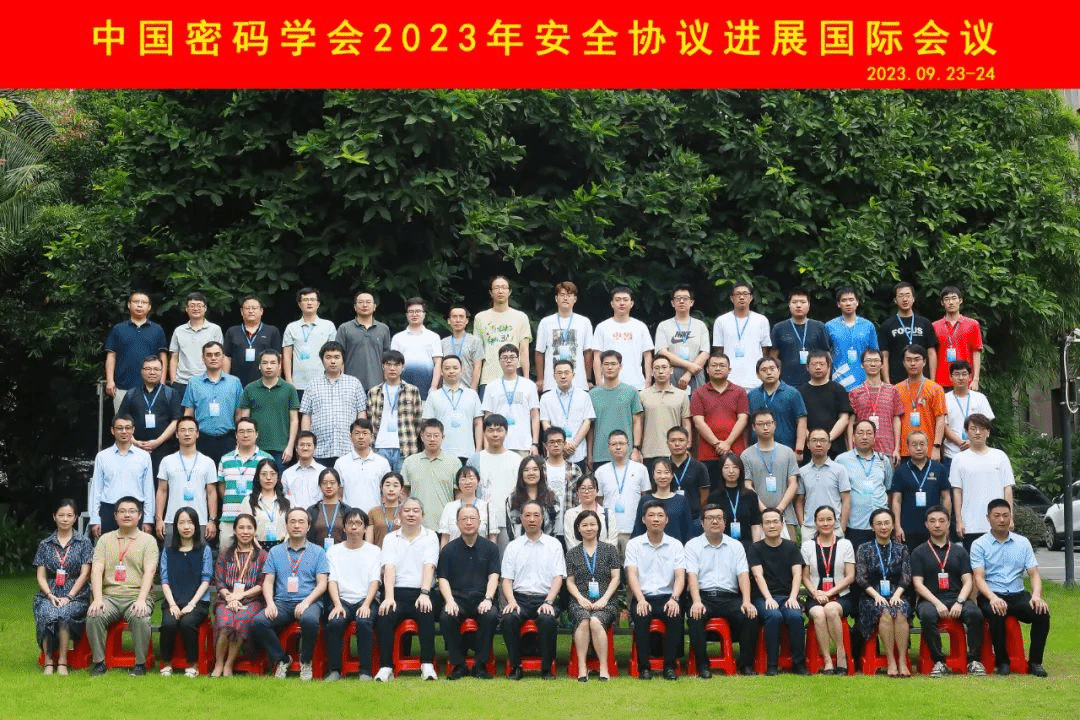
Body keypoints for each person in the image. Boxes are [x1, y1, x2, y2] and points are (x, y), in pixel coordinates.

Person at [971, 499, 1050, 677]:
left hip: (1017, 593)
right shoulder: (979, 544)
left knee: (1042, 614)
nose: (1002, 520)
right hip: (991, 593)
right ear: (988, 518)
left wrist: (1036, 596)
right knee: (996, 613)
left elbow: (1034, 574)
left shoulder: (1022, 543)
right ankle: (1003, 662)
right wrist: (993, 598)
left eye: (1006, 516)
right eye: (997, 516)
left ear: (1010, 517)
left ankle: (1035, 662)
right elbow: (978, 577)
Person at [251, 507, 329, 681]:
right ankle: (283, 659)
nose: (296, 525)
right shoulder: (275, 552)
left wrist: (306, 602)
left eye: (301, 522)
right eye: (292, 521)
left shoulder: (318, 552)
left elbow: (322, 583)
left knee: (310, 620)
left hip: (309, 602)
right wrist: (270, 604)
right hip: (282, 603)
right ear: (286, 526)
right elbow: (268, 582)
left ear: (308, 526)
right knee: (259, 622)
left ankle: (306, 661)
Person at [685, 503, 760, 678]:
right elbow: (692, 575)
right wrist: (696, 601)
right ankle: (703, 666)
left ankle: (745, 664)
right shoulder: (692, 545)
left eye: (719, 518)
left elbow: (743, 575)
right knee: (695, 615)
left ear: (725, 523)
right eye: (710, 518)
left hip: (729, 598)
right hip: (703, 596)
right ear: (702, 522)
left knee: (750, 615)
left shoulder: (736, 546)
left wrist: (746, 601)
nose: (715, 522)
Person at [910, 505, 986, 677]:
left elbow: (968, 581)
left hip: (957, 597)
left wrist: (960, 601)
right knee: (927, 615)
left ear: (948, 523)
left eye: (941, 521)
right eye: (932, 521)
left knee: (975, 614)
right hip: (930, 599)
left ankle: (973, 660)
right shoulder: (918, 552)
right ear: (926, 524)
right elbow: (918, 584)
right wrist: (937, 603)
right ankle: (939, 661)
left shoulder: (960, 551)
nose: (937, 525)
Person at [86, 497, 159, 676]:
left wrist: (141, 600)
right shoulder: (104, 540)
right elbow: (96, 570)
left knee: (140, 616)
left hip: (136, 595)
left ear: (140, 515)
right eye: (122, 511)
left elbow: (150, 571)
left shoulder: (148, 541)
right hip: (109, 596)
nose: (127, 515)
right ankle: (99, 662)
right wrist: (98, 599)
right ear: (115, 515)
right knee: (94, 615)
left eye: (132, 511)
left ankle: (140, 664)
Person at [375, 497, 440, 681]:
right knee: (385, 615)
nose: (411, 514)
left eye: (416, 511)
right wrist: (389, 597)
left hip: (422, 591)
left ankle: (427, 665)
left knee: (426, 611)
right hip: (396, 592)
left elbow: (429, 566)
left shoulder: (430, 536)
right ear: (399, 515)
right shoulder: (390, 538)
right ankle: (386, 666)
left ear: (422, 515)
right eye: (407, 510)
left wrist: (425, 593)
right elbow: (389, 568)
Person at [501, 500, 566, 680]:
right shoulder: (513, 546)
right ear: (521, 519)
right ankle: (516, 666)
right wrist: (511, 601)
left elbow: (558, 578)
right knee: (508, 619)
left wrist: (549, 601)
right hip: (519, 599)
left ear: (542, 518)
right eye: (527, 515)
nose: (532, 519)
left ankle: (546, 668)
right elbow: (506, 580)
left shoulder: (554, 545)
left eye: (536, 515)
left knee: (547, 620)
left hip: (545, 597)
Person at [438, 504, 501, 680]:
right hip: (457, 599)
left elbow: (494, 576)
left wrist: (488, 599)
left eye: (472, 518)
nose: (468, 522)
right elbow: (442, 578)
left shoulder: (491, 548)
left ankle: (480, 665)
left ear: (479, 522)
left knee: (490, 615)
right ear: (457, 523)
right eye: (464, 519)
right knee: (446, 617)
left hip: (482, 598)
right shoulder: (448, 550)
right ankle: (459, 665)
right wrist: (449, 601)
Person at [625, 500, 685, 680]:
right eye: (651, 515)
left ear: (667, 520)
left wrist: (674, 598)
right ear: (644, 519)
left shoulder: (676, 545)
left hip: (668, 596)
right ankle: (644, 667)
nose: (656, 519)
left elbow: (680, 576)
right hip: (643, 596)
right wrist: (640, 599)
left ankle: (669, 666)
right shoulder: (634, 544)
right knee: (642, 616)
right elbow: (632, 575)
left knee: (675, 616)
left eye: (660, 515)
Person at [33, 499, 93, 676]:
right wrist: (49, 594)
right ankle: (49, 661)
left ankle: (63, 661)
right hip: (50, 592)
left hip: (76, 594)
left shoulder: (84, 542)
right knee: (46, 612)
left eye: (69, 515)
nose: (65, 519)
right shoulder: (45, 544)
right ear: (54, 517)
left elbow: (85, 574)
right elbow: (41, 575)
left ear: (75, 518)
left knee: (63, 614)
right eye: (61, 515)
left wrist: (69, 596)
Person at [323, 508, 381, 682]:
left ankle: (365, 671)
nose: (354, 527)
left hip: (366, 598)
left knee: (364, 622)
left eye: (358, 523)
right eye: (350, 523)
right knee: (335, 622)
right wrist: (337, 604)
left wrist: (366, 604)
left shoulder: (374, 551)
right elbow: (332, 580)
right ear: (344, 528)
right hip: (342, 600)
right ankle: (334, 670)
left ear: (365, 528)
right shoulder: (333, 551)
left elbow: (375, 581)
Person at [749, 508, 809, 676]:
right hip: (763, 597)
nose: (772, 525)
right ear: (762, 526)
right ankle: (772, 665)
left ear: (782, 524)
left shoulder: (791, 547)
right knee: (773, 616)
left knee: (795, 616)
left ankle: (798, 663)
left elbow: (797, 574)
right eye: (767, 522)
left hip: (787, 596)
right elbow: (758, 575)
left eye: (775, 521)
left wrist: (793, 597)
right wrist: (768, 598)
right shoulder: (755, 548)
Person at [855, 508, 912, 677]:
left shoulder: (902, 548)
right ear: (872, 527)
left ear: (893, 525)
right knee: (885, 613)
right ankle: (891, 660)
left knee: (900, 612)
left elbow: (906, 576)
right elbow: (860, 578)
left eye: (887, 523)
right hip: (872, 595)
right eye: (879, 523)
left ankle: (902, 660)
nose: (883, 527)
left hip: (897, 593)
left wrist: (897, 595)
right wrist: (877, 596)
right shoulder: (864, 549)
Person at [565, 510, 621, 681]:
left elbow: (616, 578)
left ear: (598, 527)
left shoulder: (610, 550)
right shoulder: (572, 553)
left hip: (606, 601)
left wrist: (604, 599)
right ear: (578, 528)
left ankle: (603, 667)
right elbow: (570, 582)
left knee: (596, 621)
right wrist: (580, 599)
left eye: (592, 524)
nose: (589, 528)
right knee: (583, 620)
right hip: (579, 601)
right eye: (584, 525)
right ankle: (582, 667)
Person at [210, 513, 268, 677]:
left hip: (252, 600)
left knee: (241, 621)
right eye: (241, 528)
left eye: (249, 528)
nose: (245, 532)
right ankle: (219, 663)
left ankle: (229, 664)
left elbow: (262, 584)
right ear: (234, 530)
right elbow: (219, 581)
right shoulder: (225, 554)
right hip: (226, 599)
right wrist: (230, 597)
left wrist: (240, 596)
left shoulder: (262, 556)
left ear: (255, 531)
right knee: (225, 622)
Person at [157, 507, 212, 677]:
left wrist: (191, 604)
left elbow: (206, 580)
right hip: (173, 600)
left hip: (198, 602)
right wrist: (173, 604)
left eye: (190, 522)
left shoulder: (204, 550)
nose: (186, 527)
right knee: (169, 623)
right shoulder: (168, 551)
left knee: (187, 623)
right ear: (176, 526)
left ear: (196, 525)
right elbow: (164, 580)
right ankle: (166, 663)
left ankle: (193, 664)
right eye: (181, 523)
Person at [800, 505, 856, 675]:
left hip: (841, 596)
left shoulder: (845, 544)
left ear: (835, 521)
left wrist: (829, 593)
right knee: (818, 613)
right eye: (821, 520)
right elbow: (805, 577)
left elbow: (850, 576)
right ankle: (827, 660)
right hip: (815, 596)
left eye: (829, 519)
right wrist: (816, 593)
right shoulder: (807, 546)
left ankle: (841, 653)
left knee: (831, 609)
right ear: (815, 522)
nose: (825, 523)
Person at [300, 340, 368, 466]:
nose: (332, 361)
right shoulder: (312, 385)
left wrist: (359, 439)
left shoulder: (354, 383)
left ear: (343, 360)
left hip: (348, 448)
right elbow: (306, 415)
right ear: (322, 360)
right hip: (320, 450)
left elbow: (361, 413)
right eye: (328, 357)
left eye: (337, 357)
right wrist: (306, 442)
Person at [952, 413, 1015, 549]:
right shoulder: (958, 459)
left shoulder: (1000, 456)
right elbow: (957, 492)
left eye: (982, 429)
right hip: (970, 525)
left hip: (998, 523)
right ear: (967, 432)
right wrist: (959, 521)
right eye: (973, 429)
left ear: (988, 432)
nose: (978, 432)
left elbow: (1007, 489)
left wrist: (1010, 518)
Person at [88, 414, 155, 538]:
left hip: (135, 511)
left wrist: (148, 519)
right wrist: (95, 518)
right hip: (109, 510)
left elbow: (148, 490)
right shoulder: (102, 457)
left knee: (135, 549)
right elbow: (96, 489)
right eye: (119, 428)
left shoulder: (144, 457)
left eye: (128, 428)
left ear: (133, 430)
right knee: (109, 549)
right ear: (112, 430)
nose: (124, 431)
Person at [156, 417, 218, 547]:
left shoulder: (208, 462)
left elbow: (212, 493)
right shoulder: (167, 461)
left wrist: (212, 520)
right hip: (172, 521)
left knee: (199, 557)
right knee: (171, 556)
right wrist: (159, 519)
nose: (187, 433)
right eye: (183, 430)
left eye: (191, 430)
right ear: (176, 434)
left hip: (200, 521)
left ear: (197, 433)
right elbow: (162, 491)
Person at [690, 352, 750, 489]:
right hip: (707, 454)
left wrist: (727, 443)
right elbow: (698, 422)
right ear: (707, 370)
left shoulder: (739, 391)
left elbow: (743, 419)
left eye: (722, 365)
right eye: (714, 365)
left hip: (734, 452)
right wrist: (717, 444)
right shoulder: (698, 393)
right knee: (711, 493)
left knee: (736, 491)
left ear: (729, 370)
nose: (718, 368)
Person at [104, 290, 168, 413]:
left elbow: (163, 357)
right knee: (122, 423)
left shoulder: (157, 330)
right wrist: (110, 381)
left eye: (143, 302)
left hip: (151, 388)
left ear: (149, 307)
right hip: (122, 387)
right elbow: (111, 355)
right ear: (129, 305)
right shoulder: (118, 329)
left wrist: (162, 383)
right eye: (136, 302)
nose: (139, 305)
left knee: (150, 423)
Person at [182, 341, 244, 466]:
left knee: (226, 475)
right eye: (209, 355)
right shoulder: (194, 383)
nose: (213, 358)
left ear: (223, 357)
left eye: (217, 354)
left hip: (228, 439)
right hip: (201, 439)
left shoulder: (235, 382)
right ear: (203, 358)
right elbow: (188, 414)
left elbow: (239, 414)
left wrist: (240, 439)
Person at [741, 409, 800, 539]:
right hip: (758, 518)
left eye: (769, 423)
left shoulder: (787, 452)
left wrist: (779, 509)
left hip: (786, 515)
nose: (765, 427)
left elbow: (793, 484)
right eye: (760, 424)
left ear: (775, 424)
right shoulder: (746, 455)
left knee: (789, 550)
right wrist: (764, 510)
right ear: (753, 427)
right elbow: (747, 485)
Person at [118, 354, 181, 476]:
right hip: (135, 449)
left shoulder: (171, 393)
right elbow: (121, 421)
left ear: (162, 371)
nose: (152, 372)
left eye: (156, 369)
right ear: (141, 371)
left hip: (164, 449)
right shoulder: (131, 394)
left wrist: (158, 441)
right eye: (148, 369)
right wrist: (135, 442)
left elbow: (176, 421)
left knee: (160, 483)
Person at [889, 430, 952, 550]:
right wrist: (897, 526)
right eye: (914, 444)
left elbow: (946, 498)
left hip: (935, 527)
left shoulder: (939, 469)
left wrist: (946, 524)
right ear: (907, 447)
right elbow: (896, 501)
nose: (919, 448)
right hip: (908, 528)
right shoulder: (900, 471)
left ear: (928, 445)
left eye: (922, 444)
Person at [215, 417, 272, 548]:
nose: (245, 435)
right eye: (241, 431)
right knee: (226, 558)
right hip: (229, 519)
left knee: (257, 557)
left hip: (257, 519)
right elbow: (222, 489)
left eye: (249, 431)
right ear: (236, 435)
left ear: (256, 434)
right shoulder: (225, 459)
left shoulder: (266, 459)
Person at [836, 420, 893, 548]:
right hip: (855, 524)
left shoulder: (883, 460)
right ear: (853, 437)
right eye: (860, 433)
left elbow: (888, 490)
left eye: (869, 433)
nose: (865, 437)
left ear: (875, 437)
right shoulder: (841, 460)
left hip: (881, 526)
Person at [239, 349, 300, 470]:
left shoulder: (289, 389)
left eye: (273, 363)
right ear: (259, 366)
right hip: (255, 448)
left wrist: (290, 446)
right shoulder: (250, 389)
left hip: (281, 449)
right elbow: (244, 420)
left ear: (279, 365)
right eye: (265, 363)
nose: (268, 366)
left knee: (277, 481)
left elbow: (294, 420)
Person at [595, 429, 651, 555]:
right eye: (614, 444)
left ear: (628, 445)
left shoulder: (641, 469)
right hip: (609, 531)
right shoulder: (600, 472)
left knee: (632, 565)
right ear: (608, 447)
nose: (618, 447)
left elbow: (646, 498)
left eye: (621, 443)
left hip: (634, 529)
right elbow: (599, 500)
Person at [470, 415, 522, 547]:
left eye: (499, 430)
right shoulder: (475, 459)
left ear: (506, 432)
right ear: (484, 432)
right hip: (481, 522)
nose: (495, 434)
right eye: (490, 430)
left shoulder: (516, 459)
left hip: (508, 521)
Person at [369, 349, 423, 473]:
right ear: (383, 366)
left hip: (405, 447)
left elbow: (418, 421)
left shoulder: (412, 391)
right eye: (388, 364)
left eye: (397, 365)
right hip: (379, 448)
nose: (392, 368)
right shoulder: (374, 392)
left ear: (403, 367)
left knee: (404, 483)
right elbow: (370, 420)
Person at [474, 275, 533, 389]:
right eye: (496, 288)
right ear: (491, 292)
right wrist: (475, 384)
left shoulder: (521, 317)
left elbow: (524, 351)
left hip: (514, 378)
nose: (500, 291)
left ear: (509, 291)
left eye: (504, 287)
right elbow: (478, 353)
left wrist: (526, 379)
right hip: (488, 378)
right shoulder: (480, 318)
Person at [534, 280, 593, 393]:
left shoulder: (584, 322)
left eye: (569, 295)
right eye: (562, 295)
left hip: (578, 382)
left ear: (575, 299)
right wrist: (540, 379)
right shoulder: (546, 322)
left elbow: (588, 352)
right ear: (556, 298)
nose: (565, 298)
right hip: (552, 382)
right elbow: (539, 352)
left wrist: (588, 379)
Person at [402, 419, 461, 531]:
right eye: (428, 436)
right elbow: (404, 493)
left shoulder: (454, 462)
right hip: (417, 526)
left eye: (436, 436)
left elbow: (458, 494)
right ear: (422, 437)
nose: (432, 439)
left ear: (443, 437)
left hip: (445, 526)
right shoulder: (410, 462)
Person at [481, 344, 540, 455]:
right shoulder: (491, 387)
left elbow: (535, 415)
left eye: (512, 357)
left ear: (518, 360)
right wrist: (486, 446)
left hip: (523, 445)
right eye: (504, 358)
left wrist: (535, 444)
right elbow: (487, 418)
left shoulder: (529, 385)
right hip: (497, 446)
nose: (508, 361)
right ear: (499, 361)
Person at [423, 354, 483, 462]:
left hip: (467, 453)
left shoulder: (472, 395)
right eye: (447, 368)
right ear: (441, 372)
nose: (451, 371)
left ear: (462, 370)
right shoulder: (433, 396)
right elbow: (427, 425)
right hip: (440, 454)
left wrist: (478, 449)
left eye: (455, 368)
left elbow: (478, 423)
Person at [847, 348, 903, 464]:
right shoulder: (855, 392)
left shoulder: (892, 390)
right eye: (868, 361)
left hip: (887, 449)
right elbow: (851, 422)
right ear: (862, 365)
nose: (872, 364)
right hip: (862, 450)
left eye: (876, 361)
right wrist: (851, 450)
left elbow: (896, 419)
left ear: (882, 364)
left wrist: (897, 448)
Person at [590, 286, 653, 391]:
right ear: (612, 303)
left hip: (636, 385)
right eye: (618, 300)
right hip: (608, 385)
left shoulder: (640, 327)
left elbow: (647, 356)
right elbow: (597, 357)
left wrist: (648, 381)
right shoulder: (602, 327)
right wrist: (598, 382)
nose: (622, 303)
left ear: (631, 303)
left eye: (625, 300)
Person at [712, 281, 772, 390]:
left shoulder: (761, 320)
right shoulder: (721, 321)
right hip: (729, 381)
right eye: (738, 294)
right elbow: (718, 352)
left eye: (745, 294)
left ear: (751, 298)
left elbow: (765, 350)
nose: (741, 297)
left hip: (755, 381)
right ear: (732, 298)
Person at [589, 350, 644, 467]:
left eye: (613, 364)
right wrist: (590, 454)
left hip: (626, 454)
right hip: (600, 454)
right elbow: (590, 427)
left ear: (620, 366)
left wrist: (636, 448)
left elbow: (637, 421)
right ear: (601, 367)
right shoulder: (592, 394)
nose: (610, 367)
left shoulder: (631, 391)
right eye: (606, 364)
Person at [281, 287, 338, 399]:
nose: (309, 303)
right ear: (299, 304)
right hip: (298, 383)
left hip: (324, 382)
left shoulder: (328, 326)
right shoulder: (291, 327)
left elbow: (335, 354)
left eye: (312, 300)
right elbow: (287, 356)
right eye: (305, 300)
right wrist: (288, 380)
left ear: (318, 304)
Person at [538, 360, 595, 469]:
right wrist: (561, 445)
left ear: (573, 375)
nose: (563, 376)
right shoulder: (546, 398)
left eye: (566, 373)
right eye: (559, 373)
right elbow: (545, 423)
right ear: (554, 376)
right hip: (556, 452)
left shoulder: (584, 396)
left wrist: (574, 444)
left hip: (578, 451)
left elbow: (587, 422)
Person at [795, 428, 851, 539]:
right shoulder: (802, 472)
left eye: (823, 440)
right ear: (808, 444)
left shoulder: (840, 470)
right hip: (810, 528)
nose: (818, 444)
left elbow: (846, 499)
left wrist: (842, 527)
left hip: (834, 527)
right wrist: (803, 525)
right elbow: (799, 501)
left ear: (829, 445)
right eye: (814, 440)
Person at [879, 282, 939, 384]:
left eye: (908, 295)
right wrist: (887, 383)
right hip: (896, 381)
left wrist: (932, 381)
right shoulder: (887, 325)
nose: (905, 299)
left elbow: (931, 352)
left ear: (913, 298)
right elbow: (884, 355)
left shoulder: (925, 323)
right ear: (895, 300)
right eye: (901, 296)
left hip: (923, 380)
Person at [654, 284, 711, 392]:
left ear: (691, 302)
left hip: (696, 373)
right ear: (672, 303)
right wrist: (689, 365)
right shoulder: (664, 326)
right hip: (671, 373)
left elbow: (705, 353)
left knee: (697, 402)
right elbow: (662, 352)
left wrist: (689, 373)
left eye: (685, 298)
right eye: (678, 298)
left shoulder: (700, 326)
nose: (681, 301)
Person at [894, 344, 947, 460]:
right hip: (904, 451)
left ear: (924, 362)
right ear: (903, 363)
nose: (912, 363)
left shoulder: (935, 388)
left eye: (917, 359)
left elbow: (940, 419)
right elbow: (895, 419)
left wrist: (936, 447)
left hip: (928, 450)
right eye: (908, 360)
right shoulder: (897, 389)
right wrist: (896, 449)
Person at [770, 287, 830, 387]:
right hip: (787, 383)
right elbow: (773, 357)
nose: (798, 305)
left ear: (809, 305)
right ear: (789, 305)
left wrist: (826, 381)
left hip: (814, 382)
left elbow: (826, 355)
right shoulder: (779, 328)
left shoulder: (819, 327)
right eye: (794, 302)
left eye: (803, 302)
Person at [747, 357, 807, 456]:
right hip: (757, 451)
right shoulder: (752, 395)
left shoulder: (792, 393)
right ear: (757, 374)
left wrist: (799, 450)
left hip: (786, 450)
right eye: (764, 370)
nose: (769, 373)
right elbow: (747, 424)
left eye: (772, 369)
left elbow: (802, 421)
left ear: (779, 371)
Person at [796, 350, 851, 458]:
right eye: (814, 364)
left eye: (821, 364)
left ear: (829, 367)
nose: (818, 367)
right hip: (809, 449)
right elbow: (799, 421)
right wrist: (812, 440)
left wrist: (827, 439)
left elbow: (844, 419)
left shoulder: (838, 389)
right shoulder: (799, 392)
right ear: (807, 367)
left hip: (835, 447)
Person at [638, 355, 691, 465]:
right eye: (656, 368)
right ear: (652, 372)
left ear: (671, 370)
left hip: (675, 453)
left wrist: (688, 447)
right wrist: (637, 448)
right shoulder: (642, 395)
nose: (661, 371)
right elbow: (639, 424)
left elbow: (686, 423)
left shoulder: (681, 395)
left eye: (664, 367)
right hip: (649, 452)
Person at [168, 291, 223, 396]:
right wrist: (173, 381)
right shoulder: (179, 331)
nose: (196, 308)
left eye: (199, 305)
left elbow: (220, 357)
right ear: (186, 309)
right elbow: (174, 357)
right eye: (192, 305)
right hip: (182, 382)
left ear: (205, 308)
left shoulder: (215, 329)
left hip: (207, 381)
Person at [338, 290, 392, 393]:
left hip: (377, 384)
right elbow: (339, 357)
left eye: (368, 302)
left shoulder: (383, 329)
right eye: (361, 302)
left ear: (374, 306)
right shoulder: (344, 328)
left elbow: (387, 358)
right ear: (355, 307)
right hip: (350, 384)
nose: (365, 305)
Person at [222, 295, 282, 387]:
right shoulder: (232, 331)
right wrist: (225, 380)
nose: (251, 311)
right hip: (237, 382)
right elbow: (227, 357)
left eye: (254, 308)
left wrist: (276, 382)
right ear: (242, 311)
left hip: (264, 383)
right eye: (247, 308)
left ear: (261, 311)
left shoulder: (272, 331)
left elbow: (278, 357)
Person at [705, 452, 762, 549]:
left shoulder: (750, 495)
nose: (731, 471)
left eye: (735, 467)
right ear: (721, 470)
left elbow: (755, 525)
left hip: (747, 546)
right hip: (722, 546)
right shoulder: (714, 497)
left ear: (741, 470)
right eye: (726, 467)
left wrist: (756, 548)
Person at [335, 418, 392, 515]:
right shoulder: (341, 463)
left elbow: (386, 493)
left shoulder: (382, 463)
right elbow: (338, 493)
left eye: (365, 433)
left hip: (375, 517)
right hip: (349, 517)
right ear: (350, 436)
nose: (361, 437)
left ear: (372, 437)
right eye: (357, 433)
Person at [825, 287, 878, 391]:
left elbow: (875, 355)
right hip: (839, 379)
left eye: (851, 300)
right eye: (844, 300)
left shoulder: (868, 325)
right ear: (838, 304)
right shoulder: (829, 326)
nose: (848, 303)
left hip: (864, 379)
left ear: (857, 302)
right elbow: (825, 354)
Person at [943, 360, 995, 462]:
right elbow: (944, 426)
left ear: (970, 377)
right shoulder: (944, 399)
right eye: (957, 374)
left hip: (977, 452)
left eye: (964, 374)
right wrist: (961, 442)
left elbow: (986, 424)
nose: (961, 378)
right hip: (952, 453)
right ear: (950, 377)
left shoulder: (980, 398)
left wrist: (972, 442)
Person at [391, 297, 443, 399]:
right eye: (411, 311)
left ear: (424, 314)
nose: (414, 314)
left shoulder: (434, 337)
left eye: (418, 311)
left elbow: (438, 363)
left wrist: (434, 387)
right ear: (406, 314)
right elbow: (393, 364)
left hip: (427, 388)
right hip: (402, 388)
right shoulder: (397, 338)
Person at [933, 286, 983, 391]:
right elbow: (931, 355)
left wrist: (975, 379)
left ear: (960, 300)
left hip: (965, 380)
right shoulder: (934, 326)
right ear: (942, 303)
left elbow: (976, 352)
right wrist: (932, 382)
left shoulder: (973, 324)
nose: (951, 302)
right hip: (941, 381)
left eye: (954, 298)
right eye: (947, 299)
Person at [632, 459, 692, 543]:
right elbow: (638, 529)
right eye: (659, 472)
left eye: (666, 472)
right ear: (653, 475)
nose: (662, 476)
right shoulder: (645, 500)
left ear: (672, 475)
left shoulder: (681, 500)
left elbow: (687, 531)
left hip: (675, 548)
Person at [505, 455, 560, 539]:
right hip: (520, 545)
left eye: (535, 469)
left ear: (541, 472)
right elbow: (511, 531)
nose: (531, 473)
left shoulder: (552, 498)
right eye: (526, 470)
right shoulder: (512, 499)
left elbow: (555, 528)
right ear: (521, 474)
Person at [239, 458, 290, 547]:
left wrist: (283, 548)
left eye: (272, 474)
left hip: (284, 547)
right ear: (258, 477)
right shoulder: (248, 501)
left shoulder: (287, 501)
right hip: (256, 547)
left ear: (278, 476)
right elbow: (245, 528)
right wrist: (259, 550)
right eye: (264, 474)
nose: (268, 478)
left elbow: (291, 527)